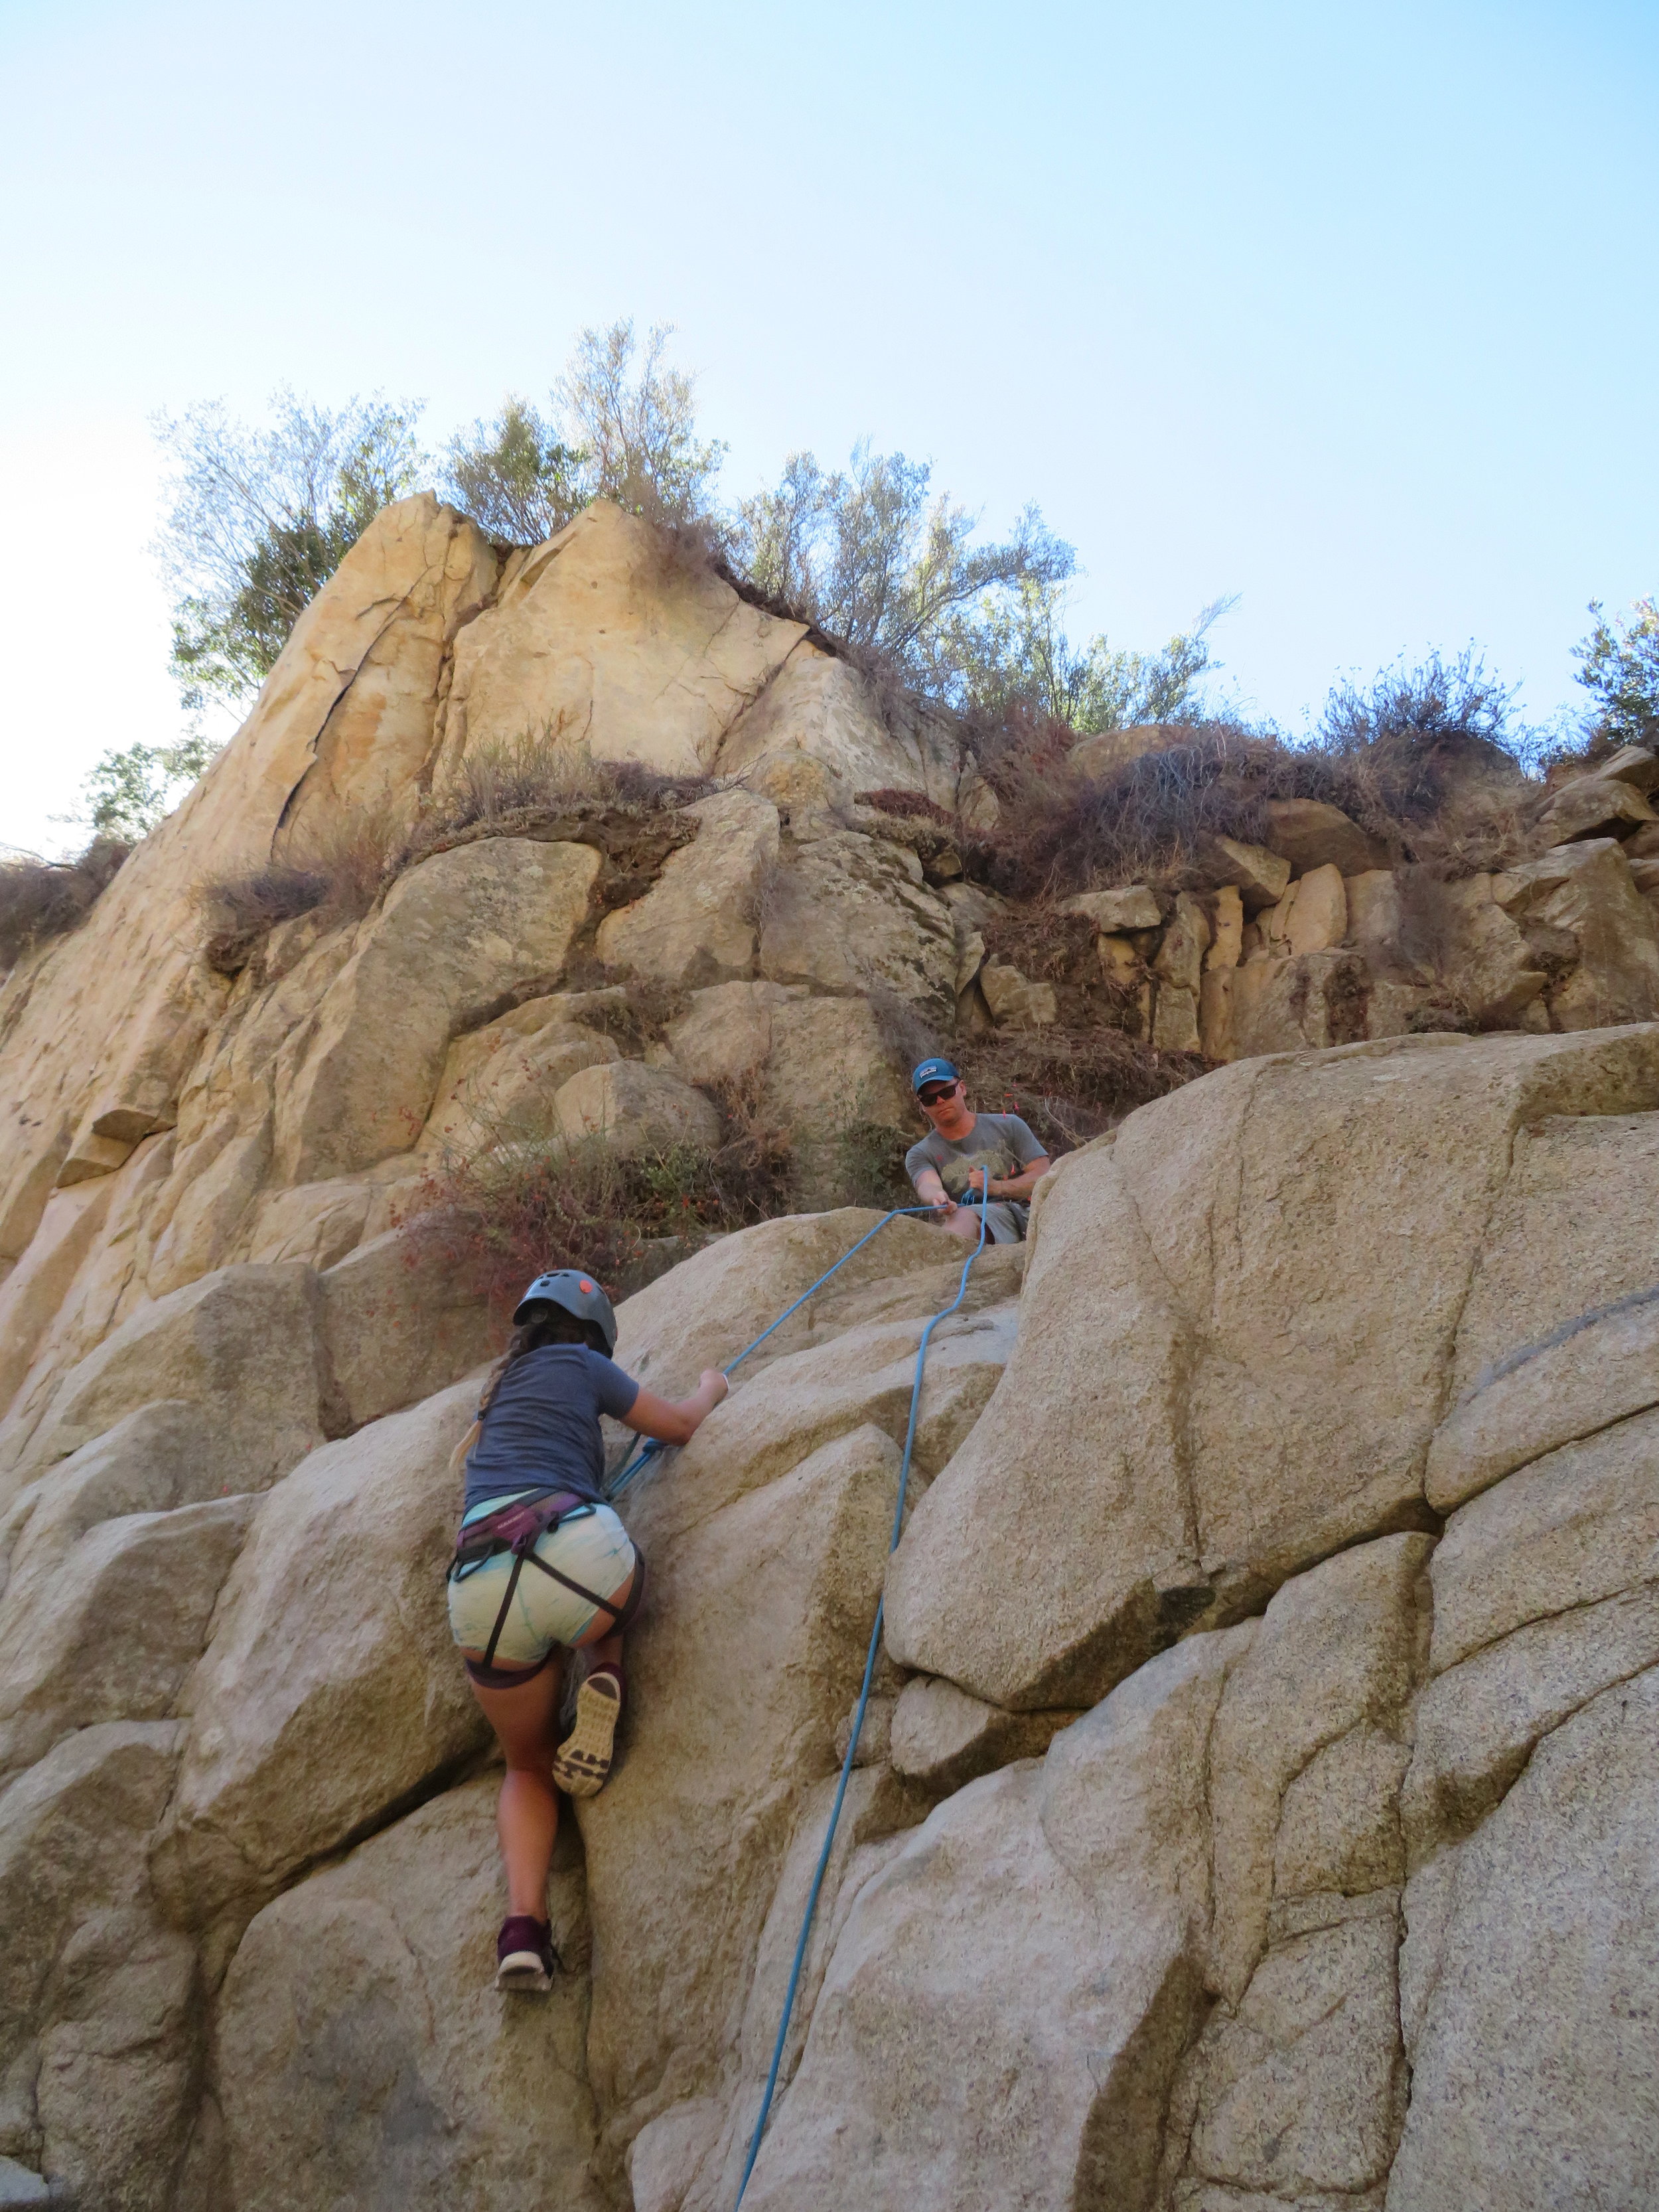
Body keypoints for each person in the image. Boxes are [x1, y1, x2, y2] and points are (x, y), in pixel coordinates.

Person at [445, 1268, 727, 1992]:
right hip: (574, 1550)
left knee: (525, 1766)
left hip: (479, 1582)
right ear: (595, 1331)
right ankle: (607, 1662)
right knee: (611, 1592)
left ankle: (523, 1931)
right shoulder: (584, 1364)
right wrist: (710, 1389)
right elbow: (679, 1428)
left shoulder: (495, 1394)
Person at [904, 1057, 1053, 1245]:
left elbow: (1044, 1174)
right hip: (969, 1220)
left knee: (962, 1219)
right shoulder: (920, 1153)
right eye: (929, 1099)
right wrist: (938, 1198)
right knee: (959, 1219)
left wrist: (998, 1188)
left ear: (962, 1088)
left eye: (947, 1092)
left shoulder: (1009, 1125)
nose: (940, 1101)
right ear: (923, 1107)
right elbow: (927, 1184)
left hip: (1024, 1213)